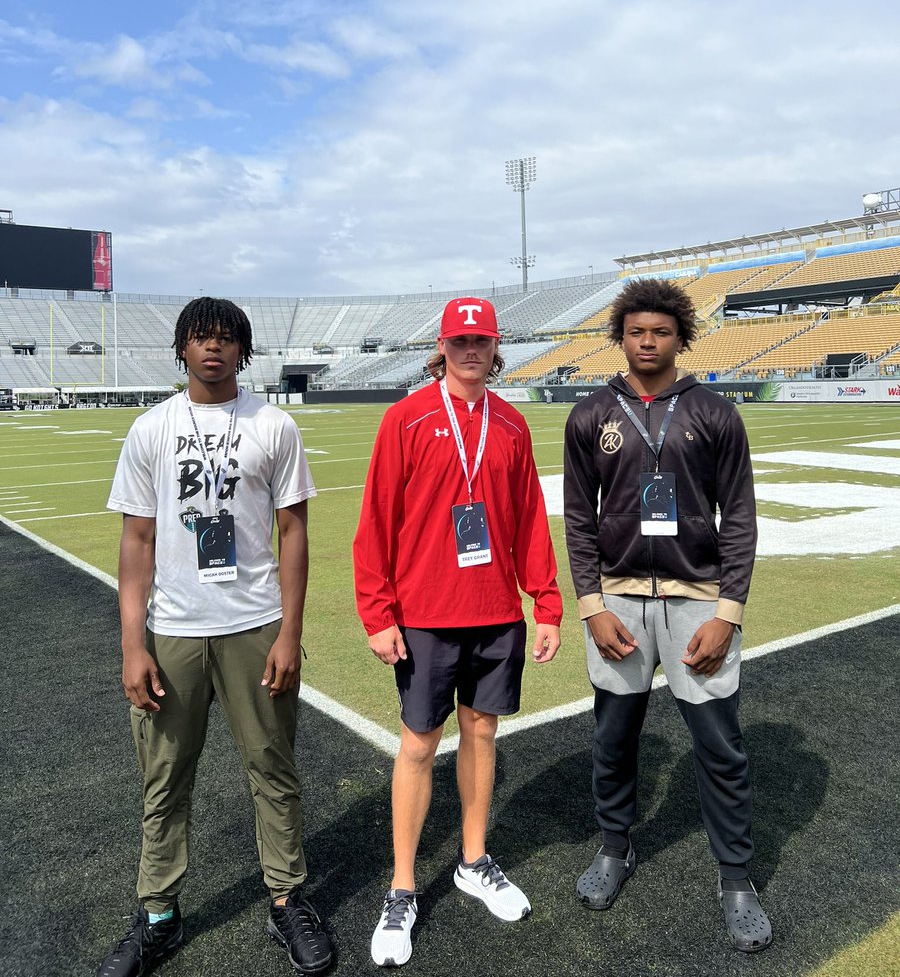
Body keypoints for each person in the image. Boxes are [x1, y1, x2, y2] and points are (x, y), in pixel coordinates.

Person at [99, 297, 333, 977]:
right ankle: (158, 916)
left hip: (255, 625)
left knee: (274, 770)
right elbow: (136, 539)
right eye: (201, 338)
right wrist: (131, 643)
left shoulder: (273, 424)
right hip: (173, 629)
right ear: (181, 348)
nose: (214, 349)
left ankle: (287, 901)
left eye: (227, 339)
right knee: (165, 779)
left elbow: (294, 532)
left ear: (243, 351)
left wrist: (290, 632)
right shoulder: (150, 429)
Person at [562, 277, 772, 953]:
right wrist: (591, 608)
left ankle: (736, 880)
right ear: (620, 339)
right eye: (635, 331)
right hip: (617, 603)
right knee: (614, 739)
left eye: (660, 331)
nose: (647, 341)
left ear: (681, 338)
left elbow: (738, 517)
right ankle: (615, 848)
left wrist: (728, 612)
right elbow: (578, 520)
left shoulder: (715, 413)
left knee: (719, 745)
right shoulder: (591, 414)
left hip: (697, 602)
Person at [354, 297, 563, 967]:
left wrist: (548, 603)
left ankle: (474, 861)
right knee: (418, 746)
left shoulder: (509, 424)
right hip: (425, 616)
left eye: (482, 340)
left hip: (497, 610)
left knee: (482, 731)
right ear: (442, 346)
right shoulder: (407, 418)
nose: (471, 349)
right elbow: (376, 521)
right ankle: (403, 888)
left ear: (496, 346)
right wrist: (378, 612)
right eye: (460, 339)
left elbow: (530, 516)